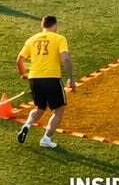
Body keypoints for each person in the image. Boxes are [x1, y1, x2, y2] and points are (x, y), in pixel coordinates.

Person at [15, 15, 75, 150]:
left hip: (34, 78)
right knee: (58, 109)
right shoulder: (59, 38)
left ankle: (27, 125)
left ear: (42, 25)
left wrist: (23, 74)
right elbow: (65, 59)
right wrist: (71, 77)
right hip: (52, 78)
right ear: (55, 25)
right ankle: (46, 139)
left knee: (39, 107)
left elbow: (20, 59)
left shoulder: (31, 39)